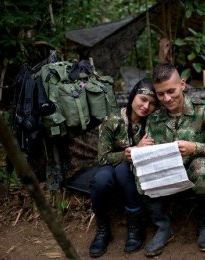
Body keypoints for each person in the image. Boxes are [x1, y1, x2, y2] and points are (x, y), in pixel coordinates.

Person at [142, 63, 205, 256]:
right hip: (171, 175)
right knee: (139, 168)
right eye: (160, 94)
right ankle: (163, 227)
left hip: (198, 174)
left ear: (182, 84)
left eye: (171, 91)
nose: (166, 98)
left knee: (202, 167)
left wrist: (196, 148)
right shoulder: (153, 118)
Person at [88, 78, 158, 258]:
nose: (145, 106)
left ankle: (135, 226)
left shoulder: (154, 122)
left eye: (151, 103)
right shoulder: (112, 121)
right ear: (133, 96)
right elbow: (102, 158)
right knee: (100, 179)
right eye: (142, 99)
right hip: (111, 167)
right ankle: (103, 229)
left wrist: (136, 155)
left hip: (140, 170)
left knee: (123, 170)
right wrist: (129, 153)